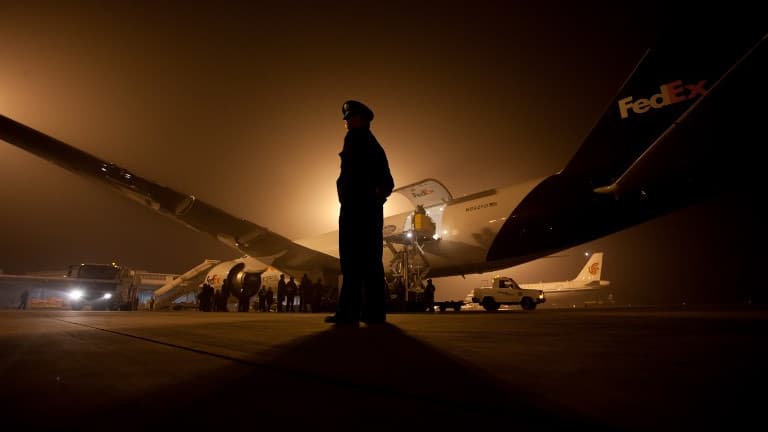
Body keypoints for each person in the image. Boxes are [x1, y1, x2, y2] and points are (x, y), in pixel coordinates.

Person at [325, 100, 394, 326]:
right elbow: (387, 182)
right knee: (371, 262)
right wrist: (376, 200)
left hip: (356, 211)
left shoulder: (356, 139)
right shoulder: (373, 144)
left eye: (350, 117)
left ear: (362, 119)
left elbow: (361, 179)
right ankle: (374, 313)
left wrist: (361, 200)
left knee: (352, 262)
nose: (346, 121)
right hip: (368, 210)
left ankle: (349, 314)